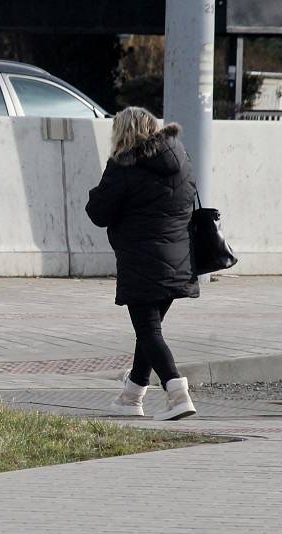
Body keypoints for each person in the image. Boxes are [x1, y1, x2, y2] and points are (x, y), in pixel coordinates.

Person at [85, 106, 199, 421]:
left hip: (142, 261)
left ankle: (177, 395)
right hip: (179, 259)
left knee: (148, 330)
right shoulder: (181, 158)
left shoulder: (124, 164)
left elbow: (98, 213)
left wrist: (101, 187)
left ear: (122, 133)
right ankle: (131, 396)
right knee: (149, 332)